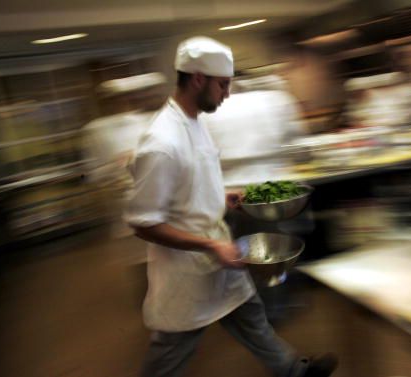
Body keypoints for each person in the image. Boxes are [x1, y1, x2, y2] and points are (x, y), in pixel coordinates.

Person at [124, 36, 338, 377]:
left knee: (251, 317)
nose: (227, 94)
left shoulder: (194, 122)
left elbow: (188, 186)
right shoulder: (162, 142)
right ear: (197, 79)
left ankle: (293, 371)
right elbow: (143, 223)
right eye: (223, 85)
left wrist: (221, 196)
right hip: (187, 269)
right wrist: (209, 245)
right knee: (171, 350)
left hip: (216, 252)